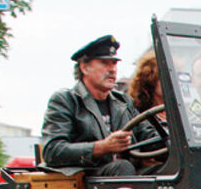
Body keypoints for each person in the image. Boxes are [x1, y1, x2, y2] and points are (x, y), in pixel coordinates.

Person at [41, 35, 160, 176]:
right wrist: (102, 147)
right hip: (88, 177)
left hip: (124, 174)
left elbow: (148, 135)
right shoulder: (66, 100)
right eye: (104, 63)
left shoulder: (123, 101)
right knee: (122, 167)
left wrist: (173, 144)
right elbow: (53, 151)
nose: (112, 69)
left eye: (114, 64)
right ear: (84, 68)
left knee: (170, 171)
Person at [128, 48, 166, 122]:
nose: (169, 83)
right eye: (163, 78)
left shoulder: (181, 112)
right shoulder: (136, 114)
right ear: (151, 81)